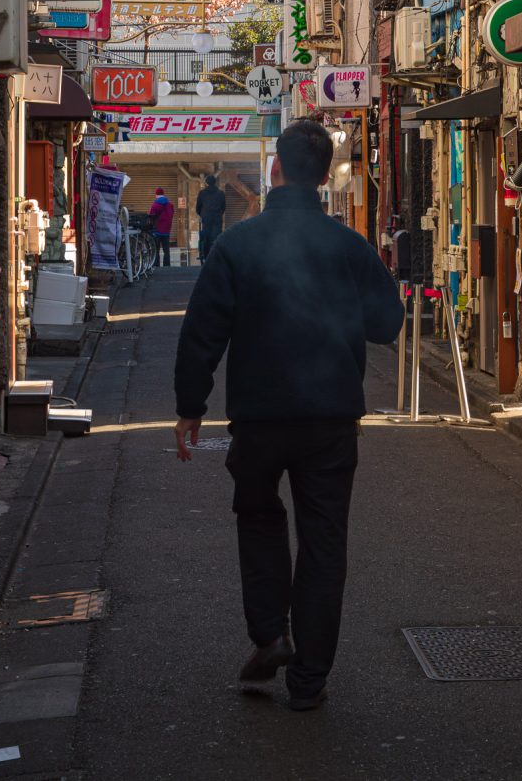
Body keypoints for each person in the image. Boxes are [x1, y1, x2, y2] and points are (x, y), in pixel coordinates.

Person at [172, 120, 404, 712]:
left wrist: (190, 407)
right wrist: (341, 310)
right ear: (325, 177)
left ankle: (271, 634)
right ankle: (309, 679)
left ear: (275, 168)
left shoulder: (238, 244)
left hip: (259, 416)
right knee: (324, 542)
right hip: (330, 418)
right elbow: (387, 323)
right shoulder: (348, 246)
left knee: (258, 517)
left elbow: (203, 331)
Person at [195, 174, 227, 264]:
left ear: (206, 183)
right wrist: (219, 214)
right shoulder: (221, 193)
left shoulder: (202, 193)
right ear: (215, 182)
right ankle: (216, 256)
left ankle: (206, 257)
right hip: (217, 218)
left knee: (206, 237)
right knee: (217, 237)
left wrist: (202, 214)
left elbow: (198, 207)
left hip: (206, 218)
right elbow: (223, 206)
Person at [149, 188, 175, 267]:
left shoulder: (155, 204)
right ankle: (167, 265)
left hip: (157, 230)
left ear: (156, 195)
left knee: (156, 249)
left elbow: (151, 216)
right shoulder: (170, 204)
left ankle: (157, 265)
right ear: (163, 194)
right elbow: (172, 214)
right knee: (166, 250)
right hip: (166, 230)